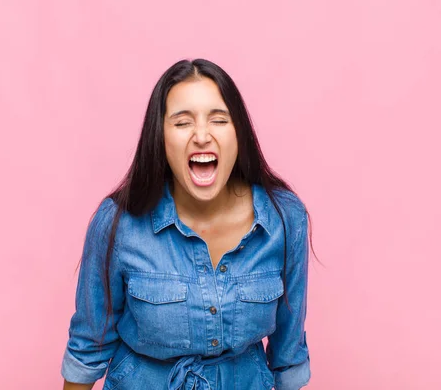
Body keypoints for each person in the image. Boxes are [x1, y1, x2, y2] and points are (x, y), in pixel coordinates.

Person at [61, 58, 314, 390]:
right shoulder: (117, 223)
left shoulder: (284, 219)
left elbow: (288, 356)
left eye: (219, 119)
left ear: (239, 132)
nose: (201, 135)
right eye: (182, 123)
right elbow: (87, 350)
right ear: (161, 137)